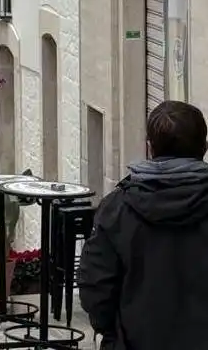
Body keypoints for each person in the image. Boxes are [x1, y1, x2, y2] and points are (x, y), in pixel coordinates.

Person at [79, 100, 208, 350]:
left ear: (149, 148)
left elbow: (96, 285)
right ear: (204, 147)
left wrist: (113, 333)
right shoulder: (118, 207)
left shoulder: (117, 208)